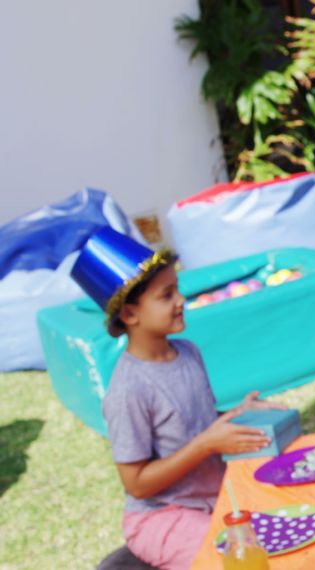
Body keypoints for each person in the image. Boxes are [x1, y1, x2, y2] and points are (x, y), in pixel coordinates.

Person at [71, 227, 280, 570]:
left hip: (214, 498)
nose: (181, 300)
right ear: (129, 314)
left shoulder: (187, 352)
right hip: (162, 516)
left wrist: (239, 413)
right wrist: (205, 445)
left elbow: (196, 421)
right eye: (167, 295)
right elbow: (136, 483)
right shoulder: (129, 390)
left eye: (178, 290)